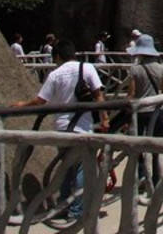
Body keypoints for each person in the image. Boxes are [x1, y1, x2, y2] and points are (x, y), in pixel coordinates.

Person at [12, 39, 108, 220]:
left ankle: (64, 204)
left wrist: (21, 104)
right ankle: (76, 210)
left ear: (57, 56)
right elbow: (98, 95)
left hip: (61, 128)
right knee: (81, 169)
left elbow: (40, 101)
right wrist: (104, 118)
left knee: (66, 167)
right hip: (82, 128)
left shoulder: (55, 74)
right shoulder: (87, 68)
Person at [127, 34, 163, 190]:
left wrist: (126, 113)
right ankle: (157, 180)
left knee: (138, 147)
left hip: (139, 112)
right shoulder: (162, 69)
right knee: (156, 148)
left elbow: (131, 94)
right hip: (157, 112)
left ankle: (142, 179)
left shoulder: (135, 69)